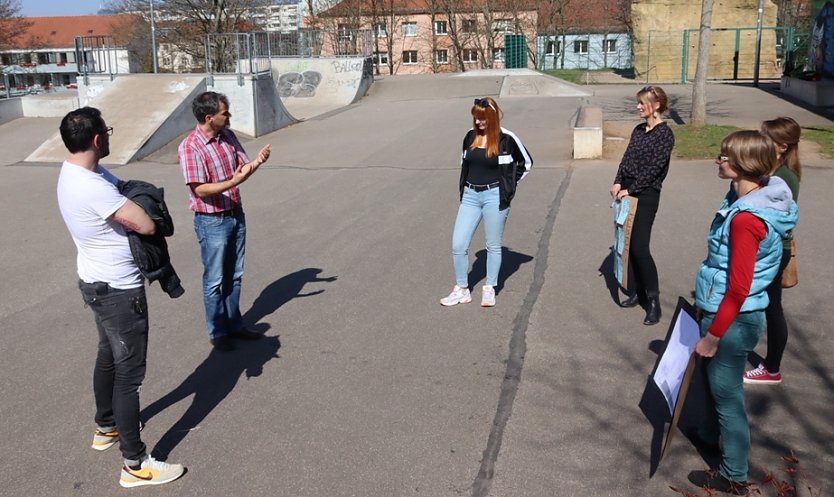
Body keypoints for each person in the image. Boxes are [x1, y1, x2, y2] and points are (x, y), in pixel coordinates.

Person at [56, 107, 186, 487]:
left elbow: (123, 186)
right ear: (98, 140)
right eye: (107, 132)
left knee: (108, 355)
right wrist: (140, 206)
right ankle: (135, 464)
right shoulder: (92, 186)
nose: (110, 136)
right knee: (129, 375)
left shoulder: (77, 172)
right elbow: (145, 223)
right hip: (118, 290)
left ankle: (106, 426)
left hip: (95, 283)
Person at [688, 130, 798, 495]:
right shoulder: (750, 196)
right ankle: (707, 434)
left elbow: (738, 287)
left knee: (728, 397)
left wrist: (712, 335)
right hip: (728, 310)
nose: (717, 160)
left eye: (724, 156)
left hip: (732, 319)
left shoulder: (746, 220)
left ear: (742, 166)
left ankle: (733, 476)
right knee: (713, 384)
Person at [178, 91, 271, 352]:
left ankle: (234, 324)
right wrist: (233, 182)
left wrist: (257, 162)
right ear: (209, 117)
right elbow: (199, 189)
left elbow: (242, 168)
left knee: (235, 274)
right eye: (224, 113)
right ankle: (218, 332)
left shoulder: (227, 137)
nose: (228, 117)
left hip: (235, 214)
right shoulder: (191, 147)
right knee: (215, 279)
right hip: (212, 221)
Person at [439, 97, 532, 307]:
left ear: (492, 117)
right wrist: (464, 188)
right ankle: (462, 289)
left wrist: (508, 185)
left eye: (483, 118)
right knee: (458, 244)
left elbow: (526, 163)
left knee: (492, 245)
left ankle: (489, 287)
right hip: (471, 196)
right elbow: (465, 163)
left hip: (494, 197)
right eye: (476, 118)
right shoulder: (469, 137)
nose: (479, 122)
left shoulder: (506, 138)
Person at [743, 117, 802, 385]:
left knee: (772, 308)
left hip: (775, 250)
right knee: (769, 305)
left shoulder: (784, 177)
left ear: (781, 145)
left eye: (764, 136)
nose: (759, 139)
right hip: (769, 248)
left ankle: (772, 368)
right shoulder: (772, 170)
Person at [610, 85, 675, 325]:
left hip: (646, 194)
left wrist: (632, 189)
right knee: (627, 245)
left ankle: (653, 300)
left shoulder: (664, 134)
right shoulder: (638, 130)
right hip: (626, 191)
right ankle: (637, 292)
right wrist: (618, 182)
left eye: (642, 103)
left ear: (656, 105)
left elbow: (655, 168)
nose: (638, 107)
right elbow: (626, 159)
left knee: (639, 247)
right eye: (638, 102)